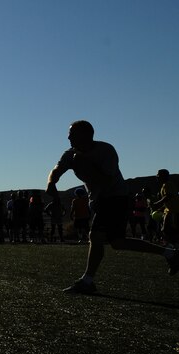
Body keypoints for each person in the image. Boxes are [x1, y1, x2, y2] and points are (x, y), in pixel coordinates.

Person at [47, 120, 178, 294]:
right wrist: (51, 182)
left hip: (116, 197)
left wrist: (85, 163)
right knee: (118, 242)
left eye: (72, 134)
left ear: (86, 135)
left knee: (96, 235)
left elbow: (106, 180)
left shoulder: (106, 151)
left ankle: (87, 282)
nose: (68, 137)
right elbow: (57, 169)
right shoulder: (70, 154)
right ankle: (171, 254)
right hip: (101, 200)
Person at [150, 169, 178, 247]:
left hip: (173, 211)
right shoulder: (165, 185)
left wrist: (156, 203)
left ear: (163, 176)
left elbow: (168, 196)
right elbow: (169, 200)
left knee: (167, 229)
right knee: (168, 229)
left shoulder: (167, 185)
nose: (157, 178)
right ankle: (172, 244)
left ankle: (172, 245)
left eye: (158, 176)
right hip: (169, 210)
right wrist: (161, 208)